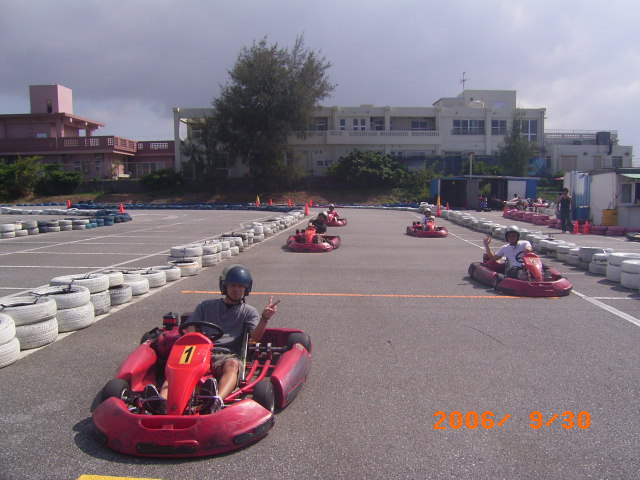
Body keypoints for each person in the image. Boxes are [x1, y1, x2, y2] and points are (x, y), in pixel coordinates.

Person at [142, 264, 281, 414]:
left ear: (246, 289)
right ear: (224, 287)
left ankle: (216, 400)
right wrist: (193, 341)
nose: (236, 289)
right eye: (232, 285)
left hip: (227, 356)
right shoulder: (206, 306)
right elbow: (191, 327)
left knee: (233, 364)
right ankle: (163, 401)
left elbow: (255, 338)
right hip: (201, 351)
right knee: (179, 367)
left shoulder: (249, 312)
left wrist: (264, 318)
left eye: (241, 286)